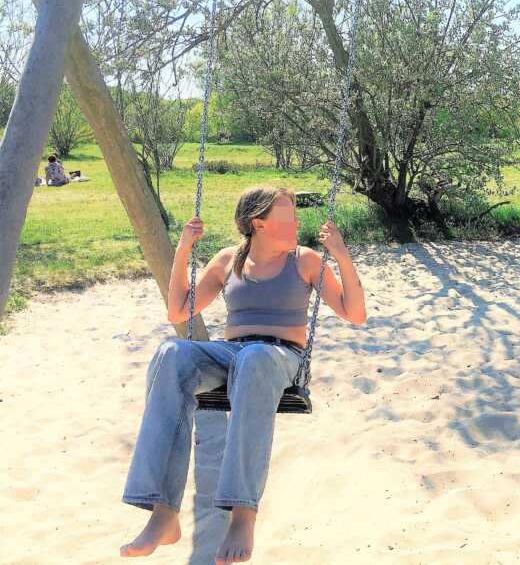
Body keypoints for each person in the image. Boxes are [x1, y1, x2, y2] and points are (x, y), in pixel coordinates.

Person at [120, 185, 367, 564]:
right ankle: (163, 513)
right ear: (259, 224)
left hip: (280, 357)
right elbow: (178, 312)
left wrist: (341, 256)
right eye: (288, 217)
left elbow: (355, 313)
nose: (298, 223)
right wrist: (183, 249)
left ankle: (242, 513)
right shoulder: (227, 261)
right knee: (171, 353)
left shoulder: (305, 261)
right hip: (233, 353)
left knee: (253, 358)